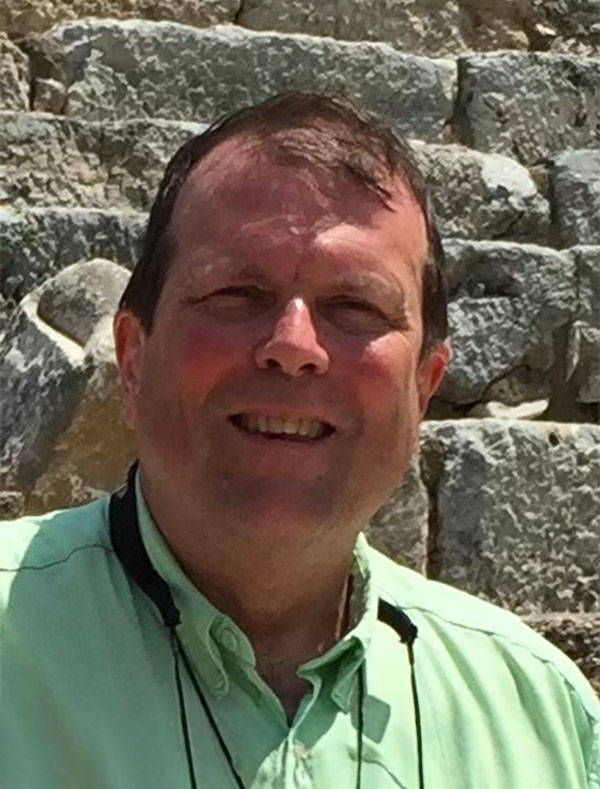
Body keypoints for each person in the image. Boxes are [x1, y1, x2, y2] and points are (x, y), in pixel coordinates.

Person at [0, 92, 598, 789]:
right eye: (235, 293)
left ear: (423, 389)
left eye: (355, 306)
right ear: (133, 360)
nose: (293, 346)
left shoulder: (545, 721)